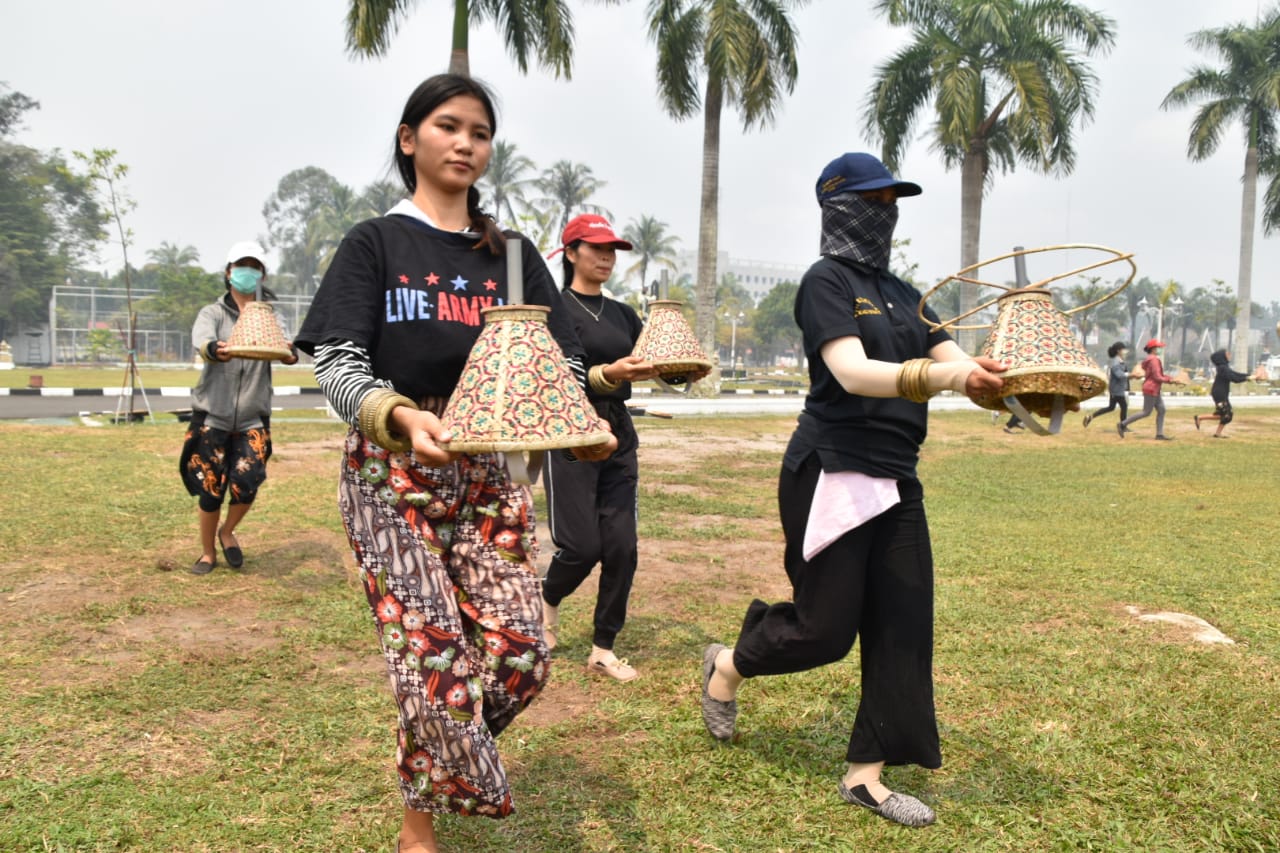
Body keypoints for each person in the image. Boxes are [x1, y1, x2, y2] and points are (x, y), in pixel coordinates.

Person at [293, 74, 616, 853]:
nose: (466, 141)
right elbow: (336, 362)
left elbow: (556, 360)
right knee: (432, 656)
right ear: (410, 139)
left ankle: (432, 753)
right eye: (447, 125)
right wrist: (399, 415)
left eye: (480, 130)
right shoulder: (376, 243)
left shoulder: (509, 258)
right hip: (390, 468)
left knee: (523, 652)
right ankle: (419, 827)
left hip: (487, 471)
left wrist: (580, 422)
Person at [698, 152, 1005, 828]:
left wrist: (990, 379)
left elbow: (955, 361)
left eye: (892, 201)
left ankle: (866, 775)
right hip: (831, 466)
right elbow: (853, 370)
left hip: (898, 474)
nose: (884, 213)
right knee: (824, 630)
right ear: (837, 205)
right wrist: (949, 379)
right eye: (872, 201)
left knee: (903, 623)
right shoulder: (824, 282)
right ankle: (729, 662)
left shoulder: (903, 292)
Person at [540, 214, 700, 682]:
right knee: (582, 545)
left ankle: (602, 648)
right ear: (570, 253)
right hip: (570, 431)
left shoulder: (623, 314)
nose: (607, 256)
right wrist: (609, 373)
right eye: (596, 247)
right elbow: (552, 378)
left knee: (622, 547)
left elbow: (654, 367)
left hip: (618, 430)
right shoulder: (554, 310)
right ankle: (548, 599)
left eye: (612, 249)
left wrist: (681, 368)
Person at [181, 242, 298, 575]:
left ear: (261, 275)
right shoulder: (213, 313)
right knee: (210, 488)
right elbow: (202, 342)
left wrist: (288, 352)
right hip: (212, 413)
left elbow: (284, 350)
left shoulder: (270, 315)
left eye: (254, 266)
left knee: (248, 482)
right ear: (229, 272)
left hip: (252, 416)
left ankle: (227, 531)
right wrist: (215, 349)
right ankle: (207, 553)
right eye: (242, 265)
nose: (248, 272)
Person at [1117, 339, 1180, 440]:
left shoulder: (1150, 359)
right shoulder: (1154, 360)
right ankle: (1122, 424)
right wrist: (1170, 381)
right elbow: (1157, 377)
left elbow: (1159, 375)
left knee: (1162, 410)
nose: (1160, 349)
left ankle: (1159, 434)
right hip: (1152, 388)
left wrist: (1171, 379)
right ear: (1153, 349)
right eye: (1158, 348)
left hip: (1153, 388)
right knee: (1146, 412)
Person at [1194, 348, 1250, 437]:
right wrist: (1248, 378)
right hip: (1219, 393)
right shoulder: (1222, 368)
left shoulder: (1224, 367)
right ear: (1222, 357)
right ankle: (1200, 418)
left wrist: (1248, 376)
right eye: (1227, 354)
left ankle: (1217, 433)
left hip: (1221, 393)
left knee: (1225, 414)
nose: (1229, 355)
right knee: (1226, 414)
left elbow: (1235, 374)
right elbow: (1234, 378)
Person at [1083, 341, 1130, 428]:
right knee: (1124, 406)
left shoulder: (1120, 361)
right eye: (1123, 349)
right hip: (1116, 390)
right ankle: (1123, 426)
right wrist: (1130, 375)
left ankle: (1090, 417)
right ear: (1118, 351)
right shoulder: (1116, 362)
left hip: (1116, 389)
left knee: (1111, 407)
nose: (1125, 351)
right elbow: (1119, 375)